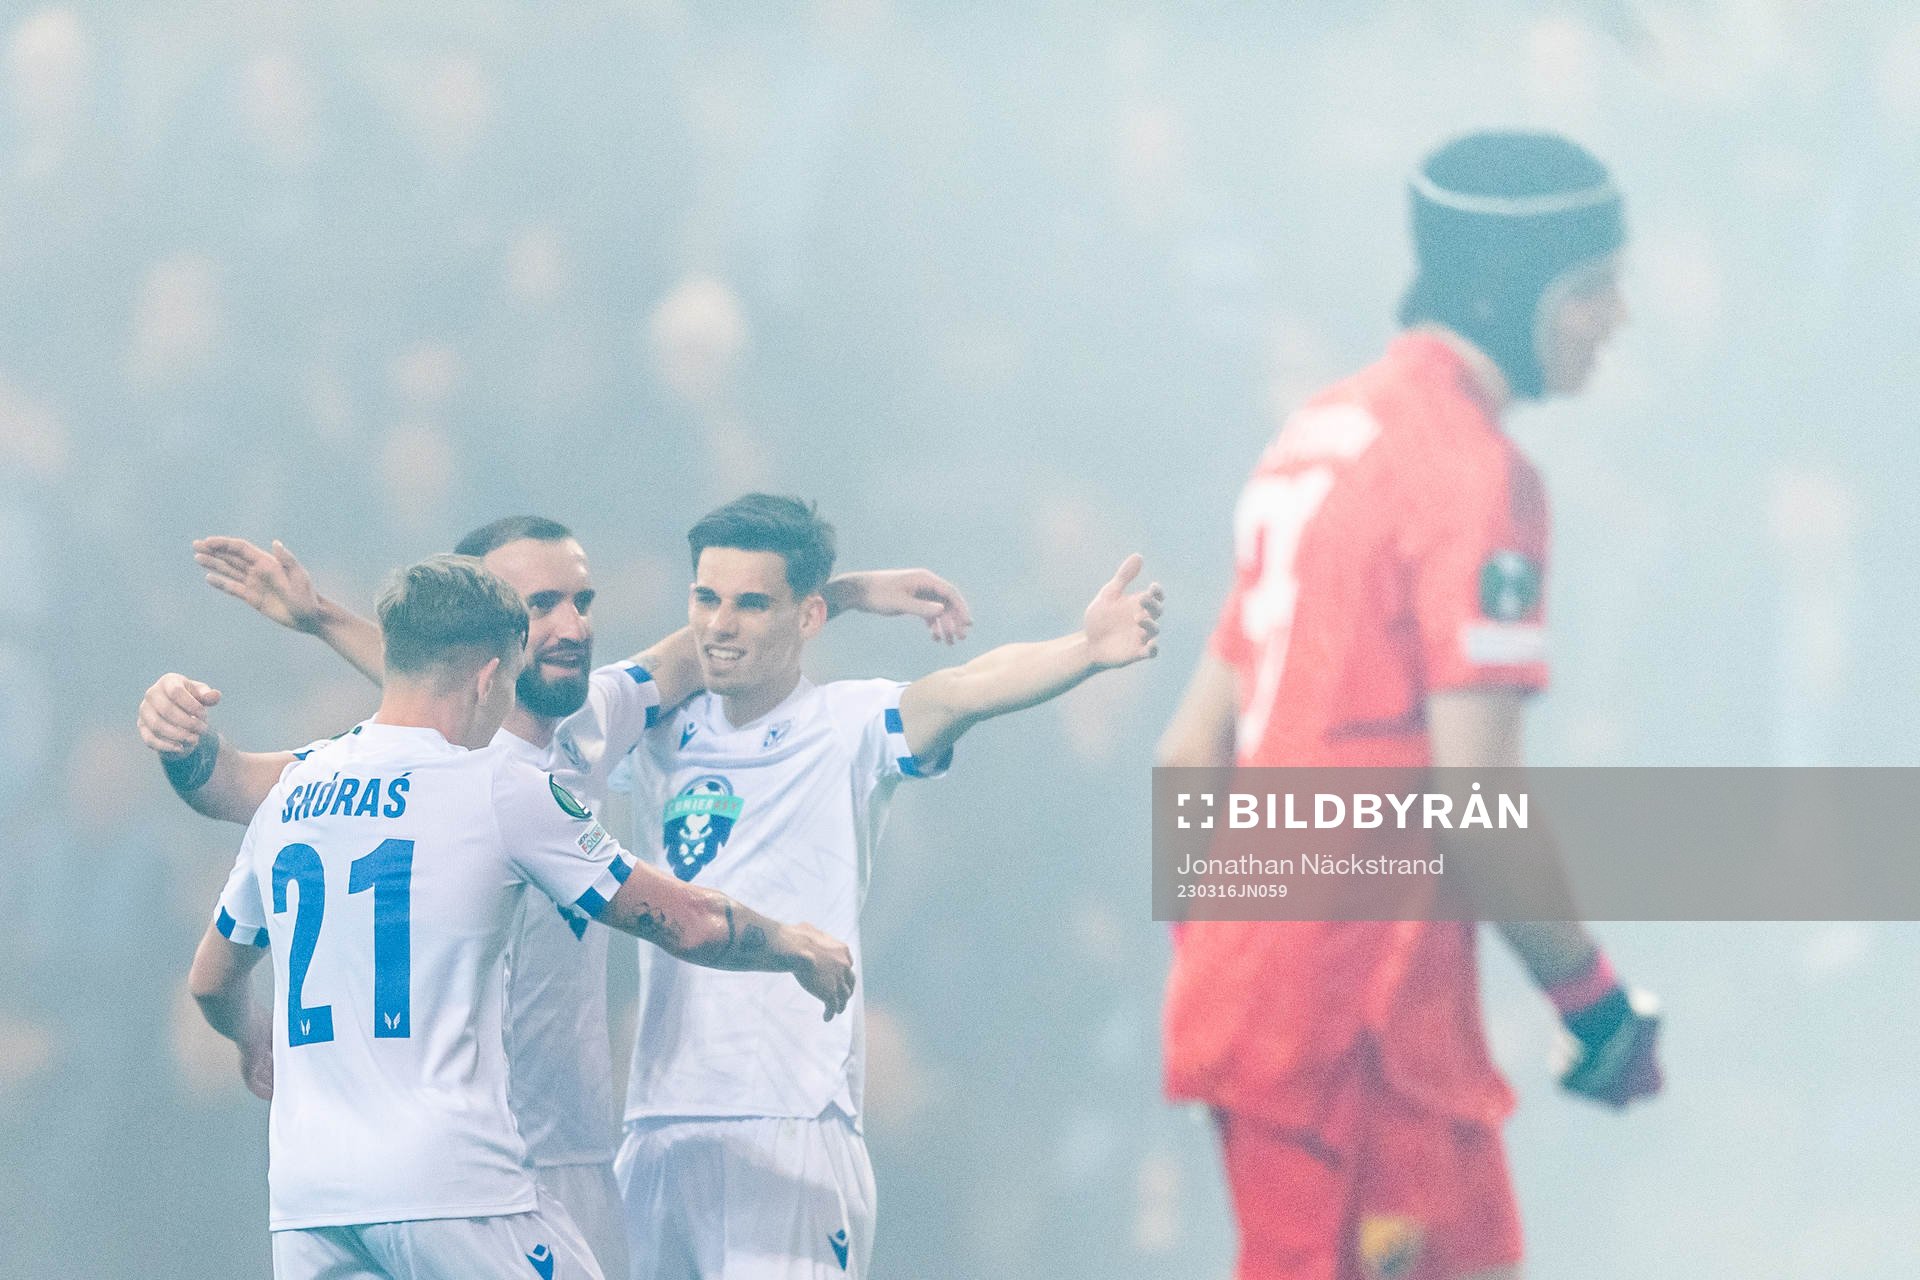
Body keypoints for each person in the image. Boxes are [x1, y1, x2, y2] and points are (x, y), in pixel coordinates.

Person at [141, 517, 967, 1278]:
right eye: (538, 606)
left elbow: (213, 967)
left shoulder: (332, 779)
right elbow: (684, 919)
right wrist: (792, 943)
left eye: (583, 600)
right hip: (472, 1173)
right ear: (496, 655)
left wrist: (842, 594)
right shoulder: (504, 784)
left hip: (357, 1183)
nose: (571, 626)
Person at [1155, 131, 1663, 1280]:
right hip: (1369, 1032)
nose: (1615, 317)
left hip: (1268, 1016)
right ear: (1512, 292)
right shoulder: (1475, 474)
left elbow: (1189, 753)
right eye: (1592, 288)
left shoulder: (1315, 438)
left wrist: (1234, 965)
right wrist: (1595, 1003)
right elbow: (1476, 795)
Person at [611, 493, 1164, 1280]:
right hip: (659, 1122)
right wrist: (850, 592)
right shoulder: (655, 734)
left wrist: (1084, 647)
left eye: (750, 603)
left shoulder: (849, 722)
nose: (719, 624)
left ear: (804, 619)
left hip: (791, 1117)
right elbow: (556, 712)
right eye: (706, 598)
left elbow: (968, 686)